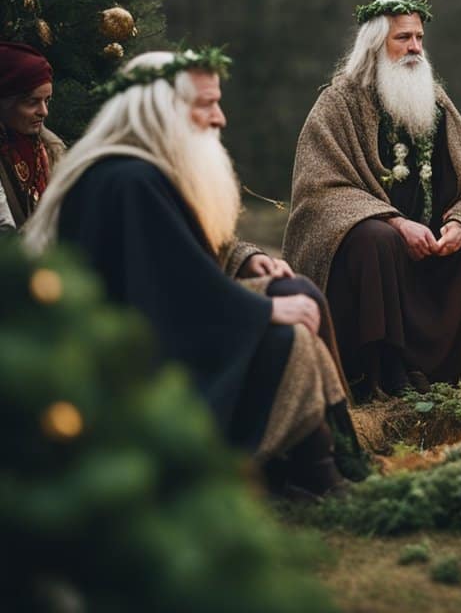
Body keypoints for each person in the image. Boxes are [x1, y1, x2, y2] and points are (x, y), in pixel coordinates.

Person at [24, 49, 359, 499]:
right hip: (132, 360)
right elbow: (163, 299)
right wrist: (265, 310)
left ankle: (336, 460)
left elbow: (175, 262)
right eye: (205, 105)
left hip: (165, 322)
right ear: (161, 108)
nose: (219, 118)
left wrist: (243, 265)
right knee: (289, 337)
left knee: (297, 292)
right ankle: (315, 476)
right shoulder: (127, 181)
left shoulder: (141, 171)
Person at [283, 0, 461, 399]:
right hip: (377, 256)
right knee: (375, 241)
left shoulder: (436, 102)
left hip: (436, 250)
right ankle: (383, 378)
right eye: (403, 38)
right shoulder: (338, 103)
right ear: (376, 45)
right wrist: (393, 222)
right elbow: (318, 194)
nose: (414, 48)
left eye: (419, 38)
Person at [0, 41, 65, 230]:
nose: (44, 112)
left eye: (47, 100)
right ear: (5, 102)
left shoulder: (51, 148)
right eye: (32, 102)